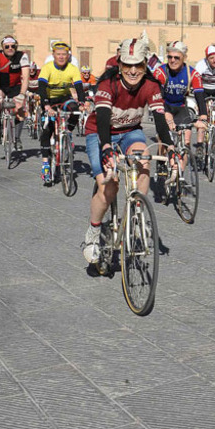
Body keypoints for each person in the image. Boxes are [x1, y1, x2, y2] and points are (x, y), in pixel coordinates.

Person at [82, 35, 174, 264]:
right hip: (100, 132)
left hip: (130, 131)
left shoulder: (151, 86)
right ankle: (93, 233)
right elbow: (103, 118)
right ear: (120, 65)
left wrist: (171, 147)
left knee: (144, 160)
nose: (132, 71)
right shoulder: (108, 84)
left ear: (145, 66)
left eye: (138, 66)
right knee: (109, 186)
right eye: (127, 65)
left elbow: (160, 120)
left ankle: (134, 214)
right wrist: (105, 147)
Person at [37, 42, 86, 185]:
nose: (61, 57)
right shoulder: (47, 68)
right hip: (49, 99)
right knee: (47, 130)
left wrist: (82, 103)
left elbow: (78, 86)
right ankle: (46, 165)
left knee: (75, 109)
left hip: (64, 98)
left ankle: (68, 132)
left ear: (68, 55)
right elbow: (41, 87)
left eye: (64, 54)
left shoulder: (72, 68)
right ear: (53, 55)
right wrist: (46, 105)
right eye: (58, 54)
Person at [152, 41, 204, 159]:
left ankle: (180, 175)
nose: (172, 60)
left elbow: (200, 96)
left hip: (181, 107)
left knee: (186, 143)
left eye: (177, 57)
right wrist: (167, 117)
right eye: (170, 57)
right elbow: (157, 96)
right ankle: (161, 164)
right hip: (165, 106)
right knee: (163, 138)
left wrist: (204, 117)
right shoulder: (161, 72)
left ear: (184, 58)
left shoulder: (192, 74)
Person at [0, 35, 31, 147]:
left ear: (16, 46)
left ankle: (17, 138)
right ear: (3, 47)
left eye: (13, 46)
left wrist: (22, 94)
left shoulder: (22, 56)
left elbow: (26, 77)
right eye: (7, 46)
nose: (10, 48)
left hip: (15, 85)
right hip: (0, 85)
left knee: (20, 108)